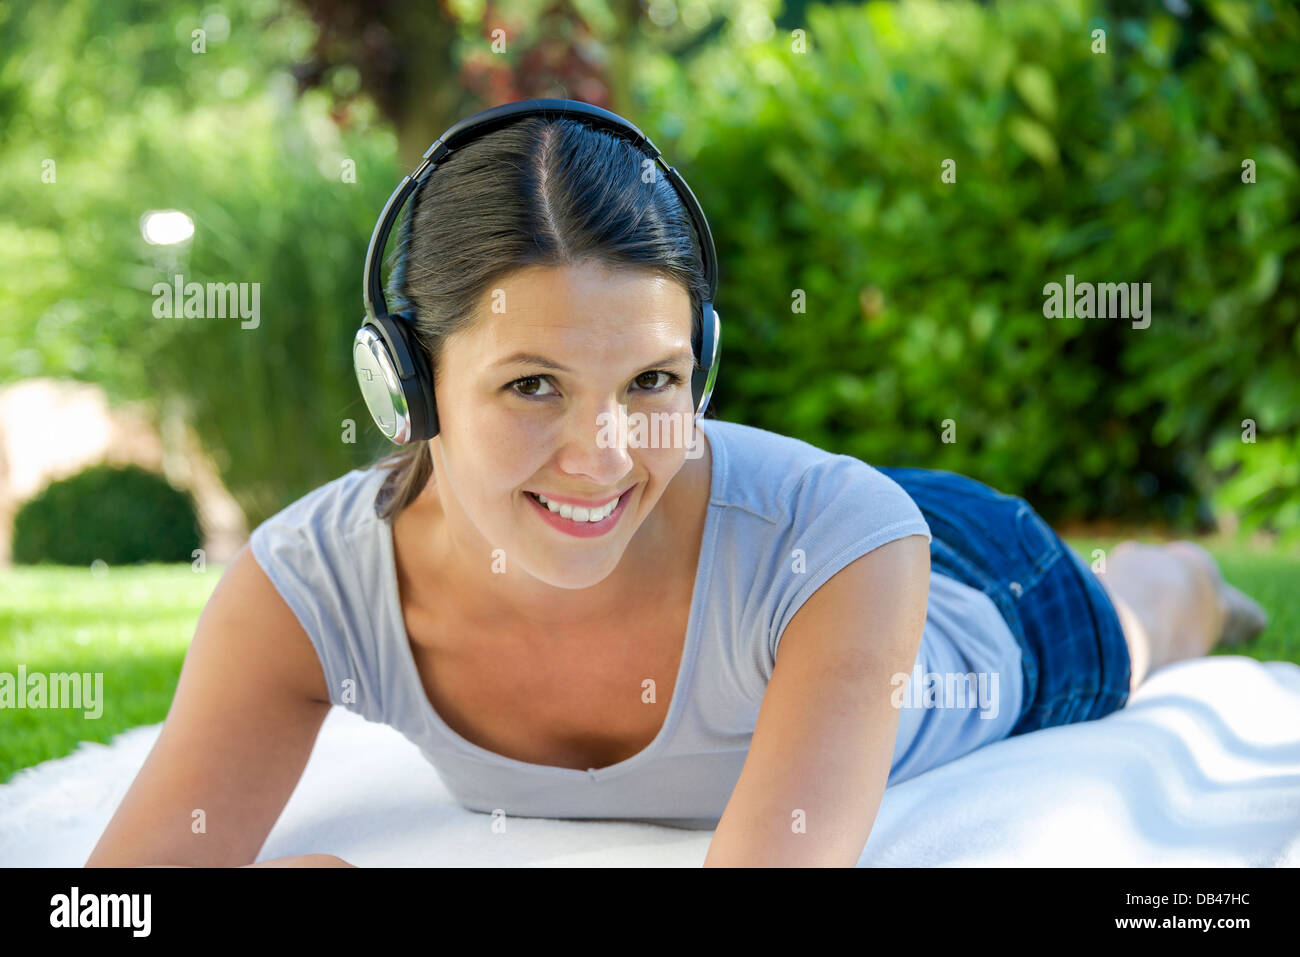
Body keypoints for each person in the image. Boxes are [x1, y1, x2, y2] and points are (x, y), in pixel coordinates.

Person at [85, 109, 1268, 869]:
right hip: (789, 529)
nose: (602, 453)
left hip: (952, 580)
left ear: (700, 364)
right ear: (406, 388)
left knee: (1138, 619)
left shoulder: (849, 545)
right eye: (533, 385)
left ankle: (1195, 587)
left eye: (651, 378)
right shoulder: (305, 591)